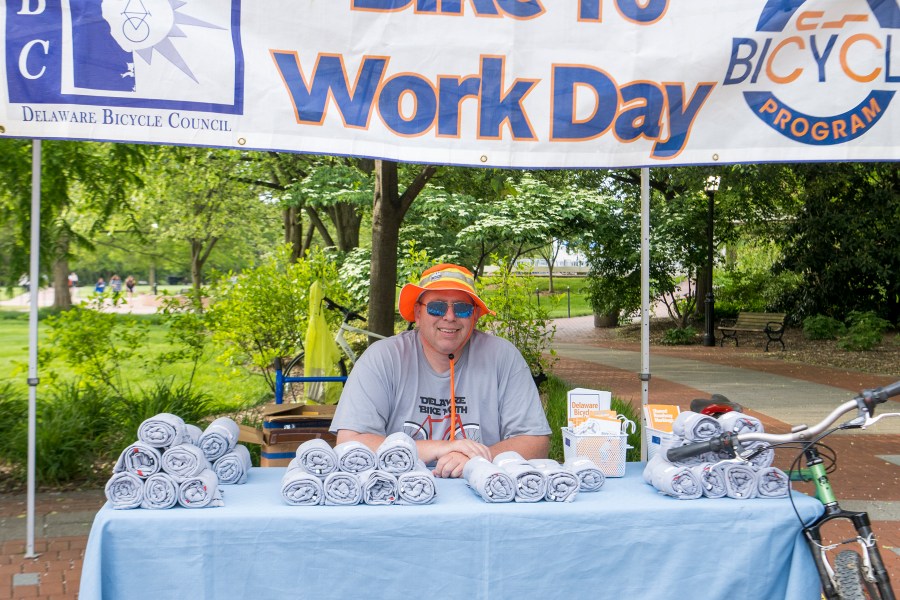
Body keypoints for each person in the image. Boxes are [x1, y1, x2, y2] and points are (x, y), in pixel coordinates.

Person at [330, 263, 551, 478]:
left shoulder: (503, 357)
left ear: (474, 316)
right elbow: (350, 443)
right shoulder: (382, 358)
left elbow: (536, 442)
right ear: (418, 313)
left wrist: (477, 460)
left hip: (485, 493)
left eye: (462, 308)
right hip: (397, 496)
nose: (450, 316)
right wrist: (439, 448)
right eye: (437, 306)